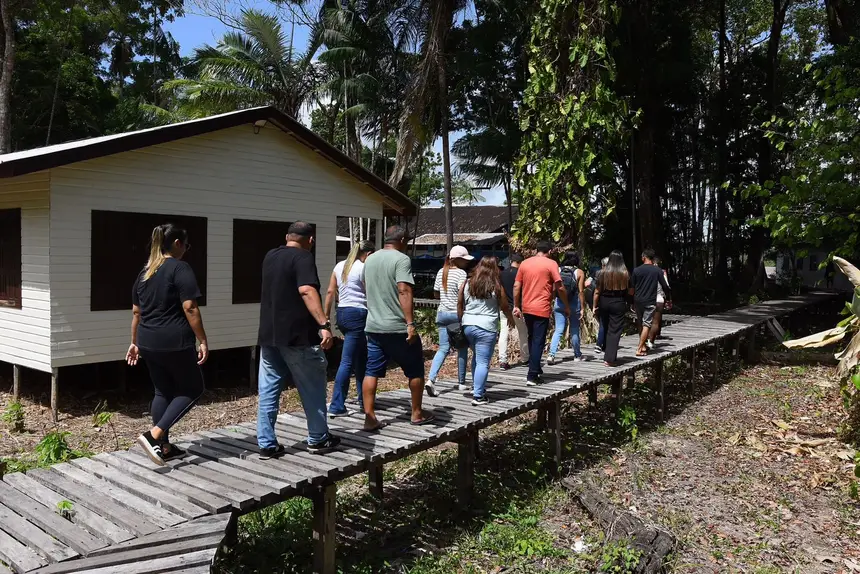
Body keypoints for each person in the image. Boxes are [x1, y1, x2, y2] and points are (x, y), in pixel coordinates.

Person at [257, 222, 340, 458]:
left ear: (287, 237)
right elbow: (306, 290)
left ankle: (266, 443)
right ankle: (318, 438)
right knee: (312, 387)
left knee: (268, 390)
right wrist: (324, 325)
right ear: (311, 240)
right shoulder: (303, 257)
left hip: (269, 335)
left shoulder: (270, 256)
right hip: (298, 337)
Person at [127, 224, 208, 466]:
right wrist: (203, 339)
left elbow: (136, 312)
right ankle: (154, 435)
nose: (186, 249)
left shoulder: (145, 272)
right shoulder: (180, 268)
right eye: (186, 245)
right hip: (174, 340)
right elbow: (190, 307)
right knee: (193, 388)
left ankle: (164, 447)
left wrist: (134, 342)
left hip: (147, 340)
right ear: (177, 243)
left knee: (162, 391)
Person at [362, 225, 435, 430]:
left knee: (371, 371)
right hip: (396, 326)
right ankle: (417, 413)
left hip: (373, 325)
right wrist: (410, 323)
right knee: (415, 369)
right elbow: (404, 290)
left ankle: (369, 417)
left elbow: (366, 286)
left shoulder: (370, 259)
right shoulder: (401, 259)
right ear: (402, 240)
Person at [323, 240, 375, 417]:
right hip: (358, 314)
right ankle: (337, 405)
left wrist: (326, 318)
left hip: (342, 312)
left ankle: (364, 400)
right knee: (347, 361)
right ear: (368, 254)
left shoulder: (339, 266)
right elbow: (370, 292)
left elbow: (330, 292)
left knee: (361, 358)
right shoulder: (363, 268)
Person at [458, 256, 514, 405]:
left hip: (468, 325)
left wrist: (460, 321)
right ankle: (478, 396)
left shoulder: (468, 283)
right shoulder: (496, 286)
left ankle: (476, 387)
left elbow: (460, 303)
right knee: (483, 362)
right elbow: (504, 306)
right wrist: (511, 318)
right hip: (486, 327)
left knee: (477, 357)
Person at [513, 241, 570, 386]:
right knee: (538, 341)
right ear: (549, 251)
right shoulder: (551, 264)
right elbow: (560, 286)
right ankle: (532, 375)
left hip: (527, 307)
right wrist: (566, 305)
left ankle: (536, 367)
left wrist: (516, 305)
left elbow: (516, 285)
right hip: (541, 308)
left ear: (536, 250)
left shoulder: (524, 263)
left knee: (532, 338)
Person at [427, 246, 473, 395]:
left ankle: (431, 380)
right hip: (455, 315)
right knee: (462, 348)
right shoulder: (461, 273)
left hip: (442, 314)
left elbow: (436, 294)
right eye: (464, 259)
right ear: (457, 260)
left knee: (443, 349)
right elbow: (463, 295)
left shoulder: (441, 271)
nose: (467, 262)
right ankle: (461, 382)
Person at [629, 248, 671, 357]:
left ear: (644, 257)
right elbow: (665, 286)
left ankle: (643, 345)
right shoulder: (657, 271)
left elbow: (631, 288)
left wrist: (631, 301)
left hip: (638, 300)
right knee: (647, 324)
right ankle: (640, 348)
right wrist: (668, 298)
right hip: (650, 300)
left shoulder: (636, 270)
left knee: (640, 323)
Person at [593, 250, 630, 367]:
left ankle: (606, 351)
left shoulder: (602, 273)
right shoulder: (625, 273)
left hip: (604, 301)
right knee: (614, 330)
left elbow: (597, 292)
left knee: (605, 326)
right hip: (618, 302)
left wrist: (594, 306)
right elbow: (630, 291)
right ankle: (609, 358)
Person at [548, 251, 586, 365]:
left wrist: (552, 300)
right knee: (574, 329)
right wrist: (582, 307)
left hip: (559, 303)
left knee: (558, 329)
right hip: (574, 304)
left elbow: (553, 288)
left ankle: (551, 355)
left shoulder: (558, 270)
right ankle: (577, 355)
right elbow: (581, 292)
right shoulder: (579, 272)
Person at [497, 254, 529, 370]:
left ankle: (502, 360)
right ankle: (525, 358)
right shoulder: (521, 274)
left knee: (503, 333)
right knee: (523, 332)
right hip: (518, 308)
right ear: (521, 262)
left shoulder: (501, 274)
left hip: (504, 308)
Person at [649, 256, 670, 345]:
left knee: (647, 320)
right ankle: (651, 340)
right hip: (659, 297)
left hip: (647, 297)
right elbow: (666, 285)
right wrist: (668, 298)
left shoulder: (646, 272)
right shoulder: (662, 272)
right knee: (656, 321)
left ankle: (645, 339)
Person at [595, 256, 610, 354]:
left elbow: (596, 291)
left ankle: (599, 344)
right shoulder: (615, 274)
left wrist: (594, 305)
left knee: (603, 323)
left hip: (602, 301)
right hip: (613, 301)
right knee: (609, 324)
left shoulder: (599, 273)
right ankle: (604, 344)